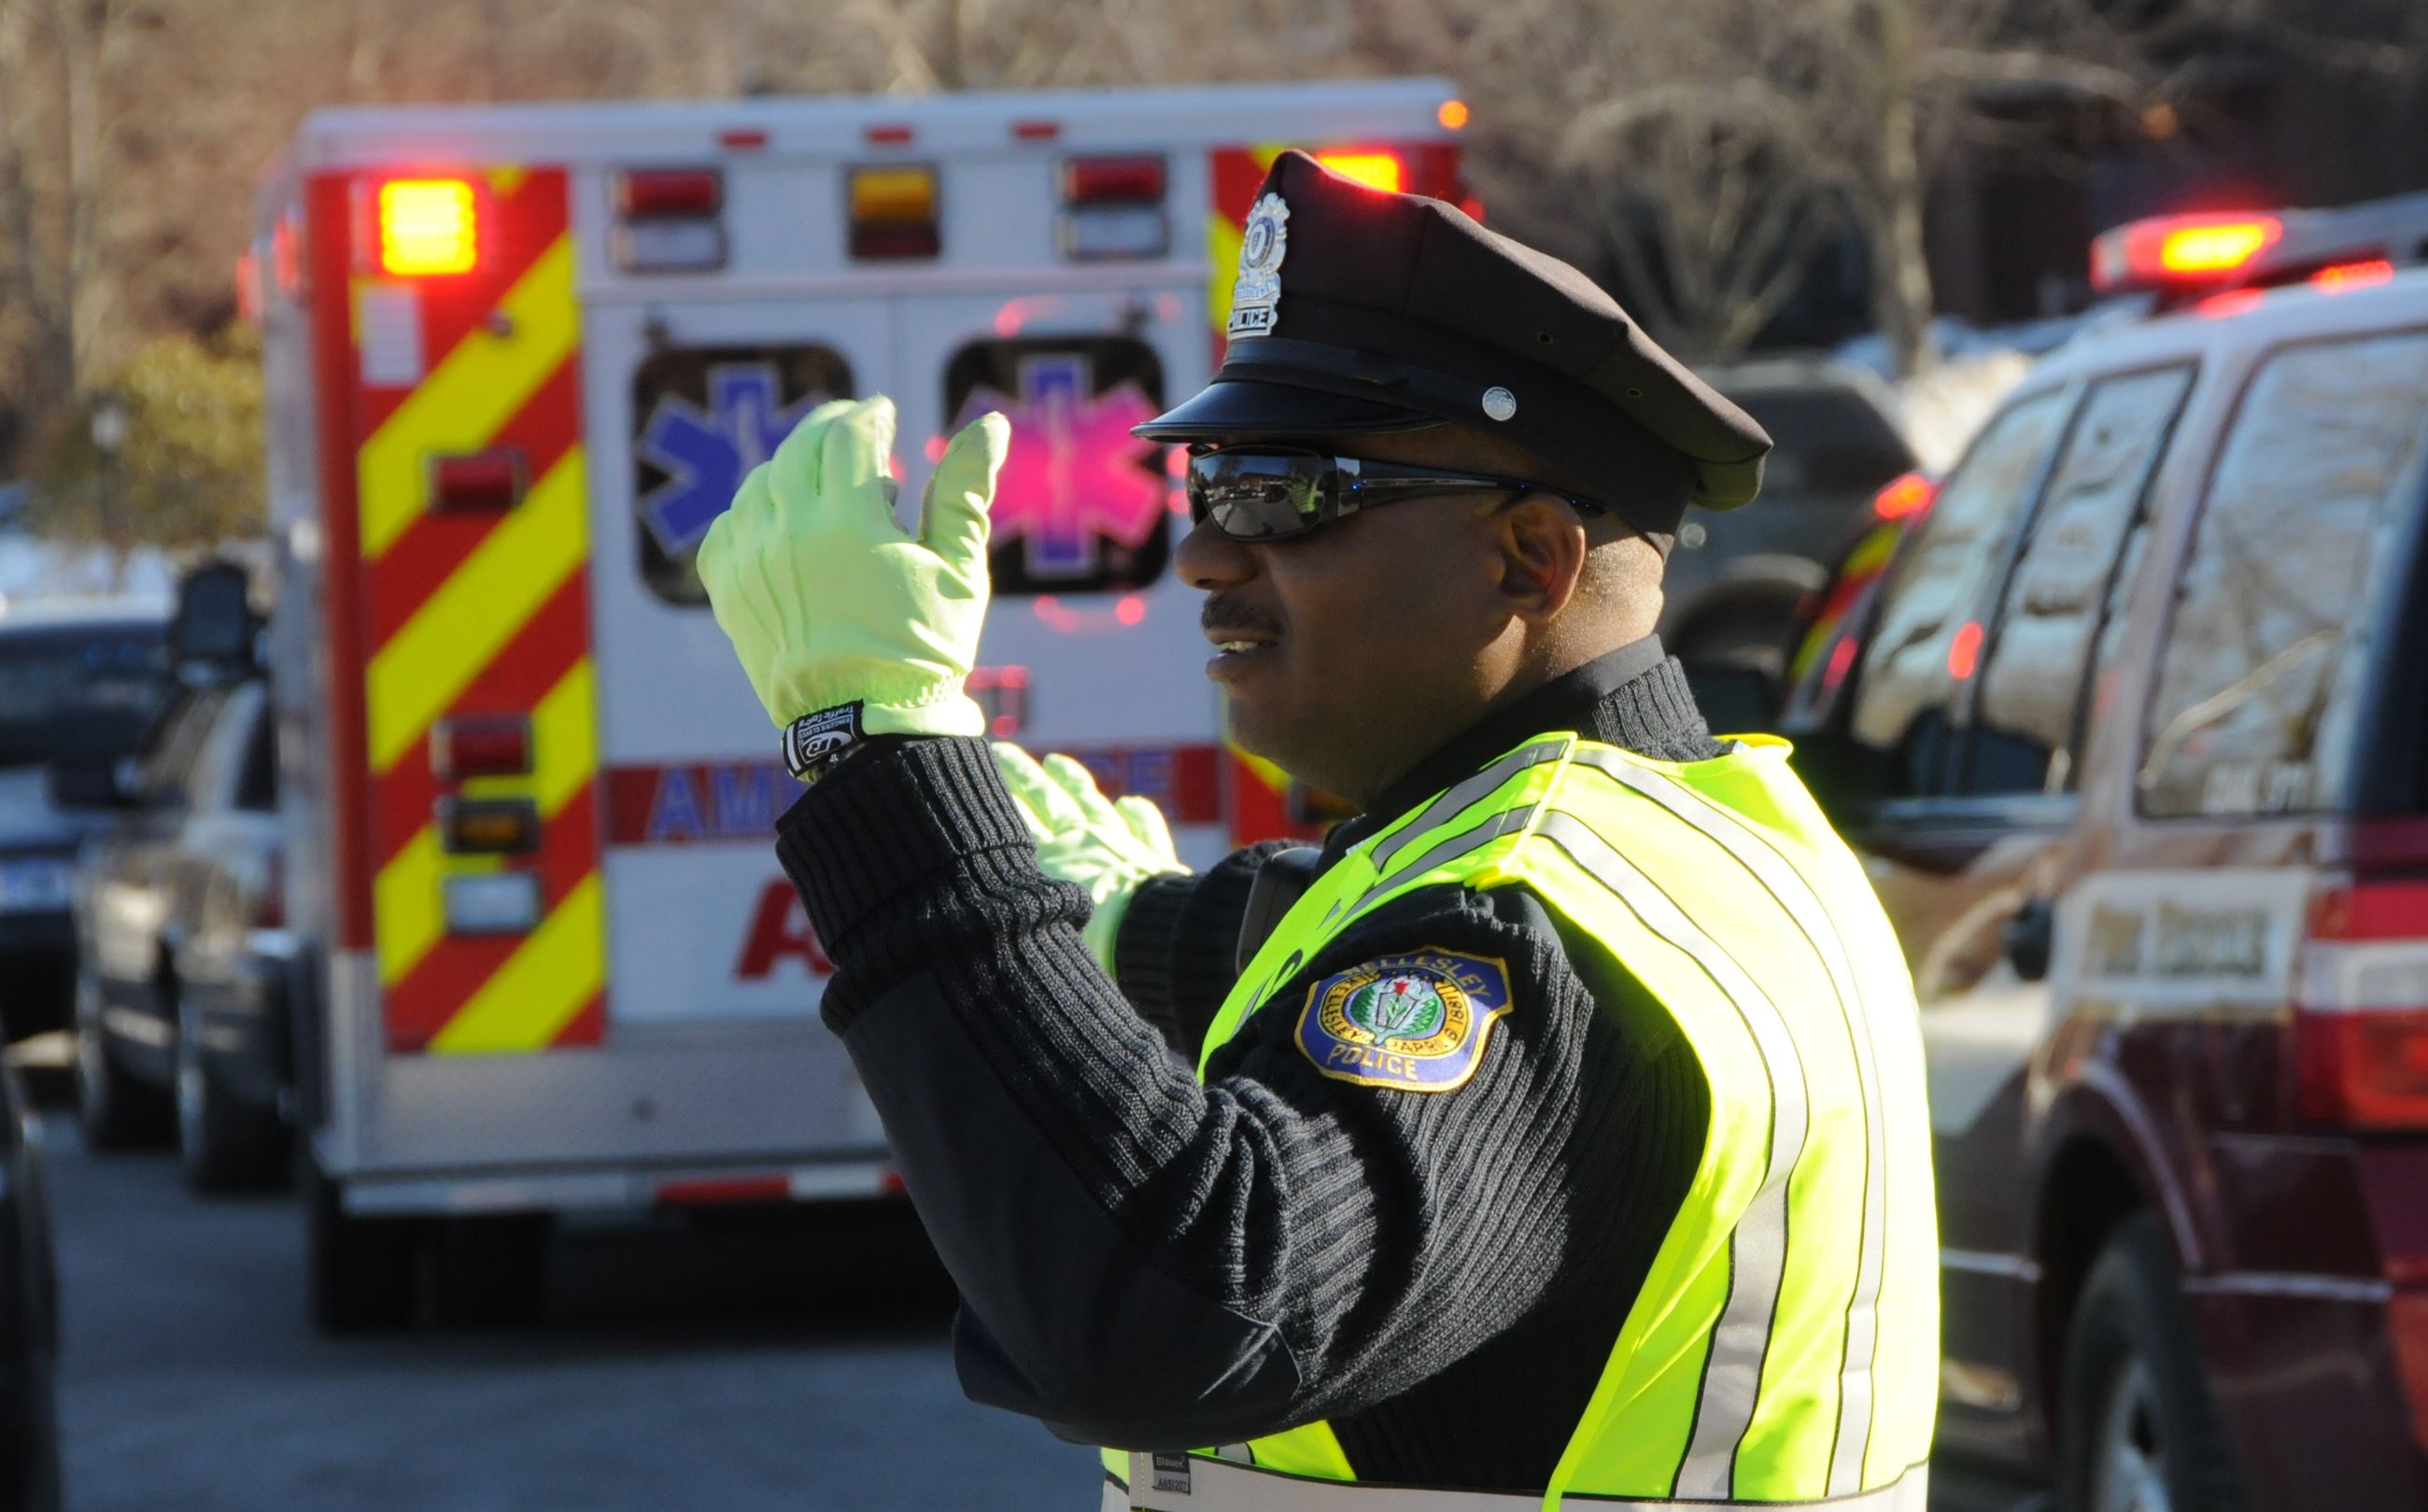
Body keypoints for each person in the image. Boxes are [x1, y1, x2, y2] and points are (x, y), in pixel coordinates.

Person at [696, 150, 1938, 1510]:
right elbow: (1332, 930)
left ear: (1532, 556)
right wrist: (1126, 922)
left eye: (1286, 492)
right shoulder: (1695, 828)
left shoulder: (1537, 932)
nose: (1209, 555)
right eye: (1207, 489)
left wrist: (882, 758)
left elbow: (1173, 1310)